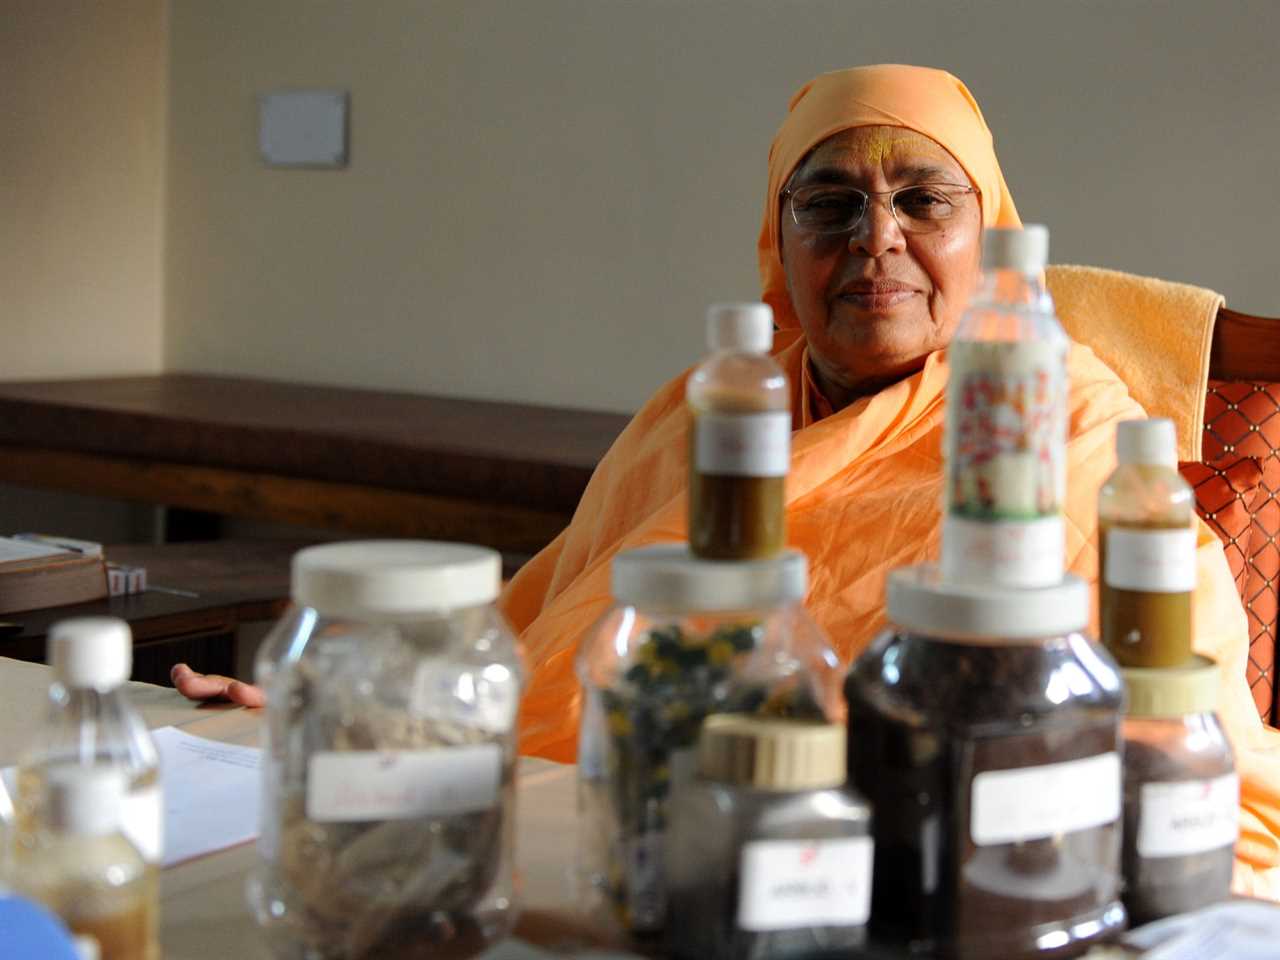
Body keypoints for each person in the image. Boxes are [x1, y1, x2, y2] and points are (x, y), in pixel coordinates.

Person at [176, 64, 1280, 897]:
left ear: (988, 236)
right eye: (830, 203)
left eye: (921, 201)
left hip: (915, 868)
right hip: (625, 836)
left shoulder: (1055, 421)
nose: (874, 240)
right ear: (778, 240)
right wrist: (378, 727)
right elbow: (556, 630)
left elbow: (1178, 743)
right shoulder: (711, 407)